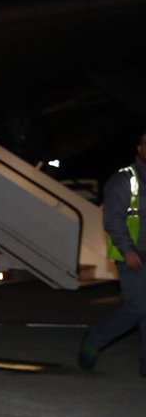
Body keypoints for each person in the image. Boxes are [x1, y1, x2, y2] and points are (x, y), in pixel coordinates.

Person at [79, 134, 146, 376]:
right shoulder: (123, 180)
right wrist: (127, 250)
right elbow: (113, 220)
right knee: (137, 308)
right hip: (133, 255)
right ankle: (94, 339)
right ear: (140, 148)